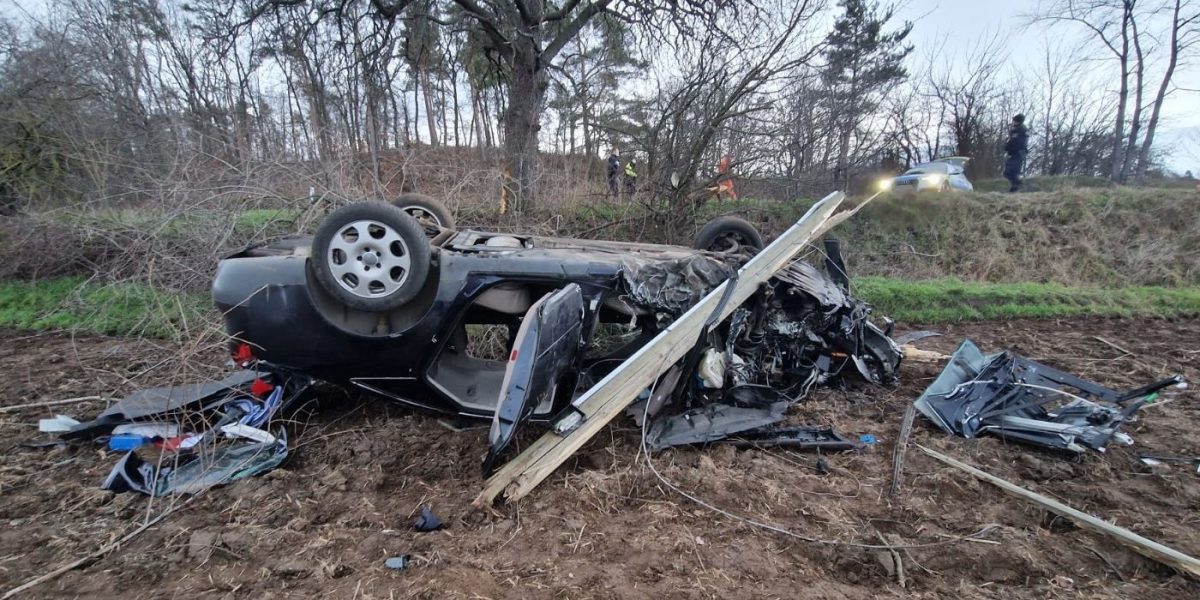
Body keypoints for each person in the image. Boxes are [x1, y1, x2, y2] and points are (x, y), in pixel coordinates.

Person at [1004, 114, 1029, 193]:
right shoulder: (1016, 130)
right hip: (1013, 152)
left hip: (1018, 153)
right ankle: (1016, 184)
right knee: (1007, 172)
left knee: (1013, 169)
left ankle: (1016, 186)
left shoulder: (1021, 131)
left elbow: (1016, 143)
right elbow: (1011, 142)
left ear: (1017, 121)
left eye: (1014, 120)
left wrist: (1009, 149)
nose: (1013, 122)